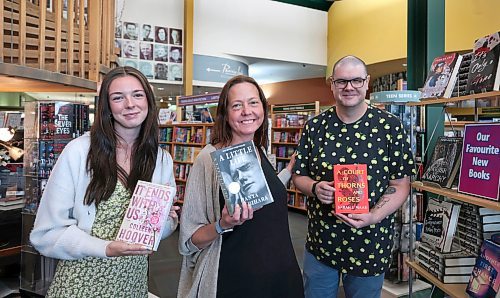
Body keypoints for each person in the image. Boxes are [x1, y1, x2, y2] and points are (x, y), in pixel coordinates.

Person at [30, 66, 180, 297]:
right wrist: (105, 248)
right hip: (80, 285)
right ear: (107, 107)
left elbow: (158, 232)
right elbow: (45, 233)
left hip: (133, 285)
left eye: (137, 95)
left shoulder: (161, 160)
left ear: (149, 101)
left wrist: (167, 221)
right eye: (118, 97)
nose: (130, 104)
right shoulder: (79, 152)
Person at [292, 55, 415, 298]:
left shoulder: (390, 126)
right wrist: (315, 188)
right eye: (342, 81)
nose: (349, 87)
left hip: (371, 241)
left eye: (356, 80)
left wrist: (374, 216)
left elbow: (401, 183)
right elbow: (299, 176)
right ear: (332, 84)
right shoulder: (315, 127)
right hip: (322, 242)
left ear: (367, 82)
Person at [178, 75, 304, 298]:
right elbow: (189, 241)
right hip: (237, 281)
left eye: (253, 102)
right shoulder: (209, 159)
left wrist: (286, 173)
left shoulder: (259, 150)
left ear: (263, 108)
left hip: (281, 276)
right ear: (225, 114)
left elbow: (262, 198)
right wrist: (223, 224)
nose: (247, 111)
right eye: (237, 105)